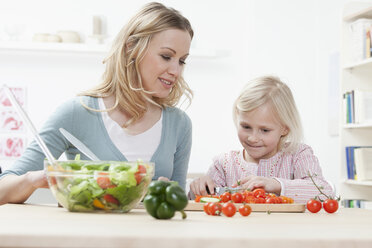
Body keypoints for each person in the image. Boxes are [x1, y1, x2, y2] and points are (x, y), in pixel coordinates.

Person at [0, 2, 193, 205]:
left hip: (153, 238)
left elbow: (176, 204)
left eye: (182, 61)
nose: (176, 71)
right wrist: (35, 179)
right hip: (87, 236)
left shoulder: (179, 125)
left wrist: (167, 193)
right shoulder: (76, 113)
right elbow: (3, 188)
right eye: (166, 56)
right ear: (132, 49)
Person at [190, 76, 335, 203]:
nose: (253, 138)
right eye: (246, 127)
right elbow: (200, 203)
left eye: (264, 130)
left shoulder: (298, 154)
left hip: (286, 233)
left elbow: (324, 192)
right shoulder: (223, 165)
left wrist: (277, 184)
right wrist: (199, 188)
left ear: (285, 128)